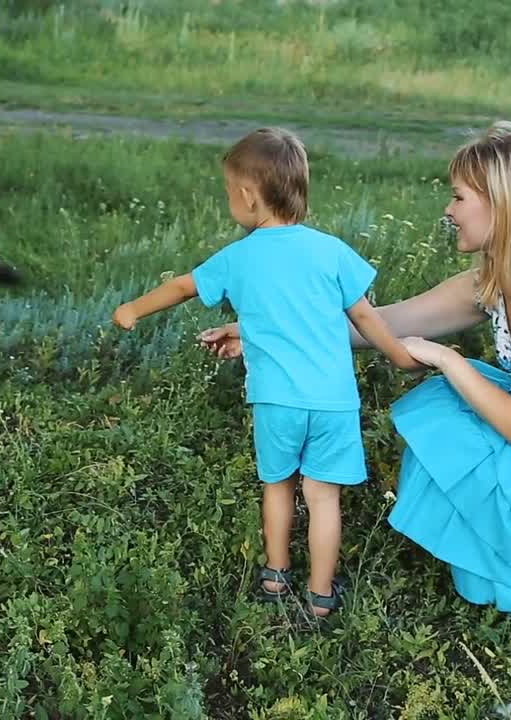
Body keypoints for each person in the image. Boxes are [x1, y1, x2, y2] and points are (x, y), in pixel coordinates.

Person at [198, 121, 511, 648]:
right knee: (448, 413)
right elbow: (382, 323)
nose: (448, 210)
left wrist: (450, 359)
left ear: (503, 204)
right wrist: (265, 332)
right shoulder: (494, 279)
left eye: (459, 196)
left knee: (456, 401)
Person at [113, 127, 420, 617]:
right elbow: (364, 316)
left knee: (277, 486)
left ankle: (276, 577)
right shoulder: (331, 250)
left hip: (276, 400)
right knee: (323, 497)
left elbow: (181, 287)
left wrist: (132, 308)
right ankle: (321, 596)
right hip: (333, 401)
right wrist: (399, 355)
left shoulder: (239, 257)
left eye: (229, 192)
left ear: (249, 197)